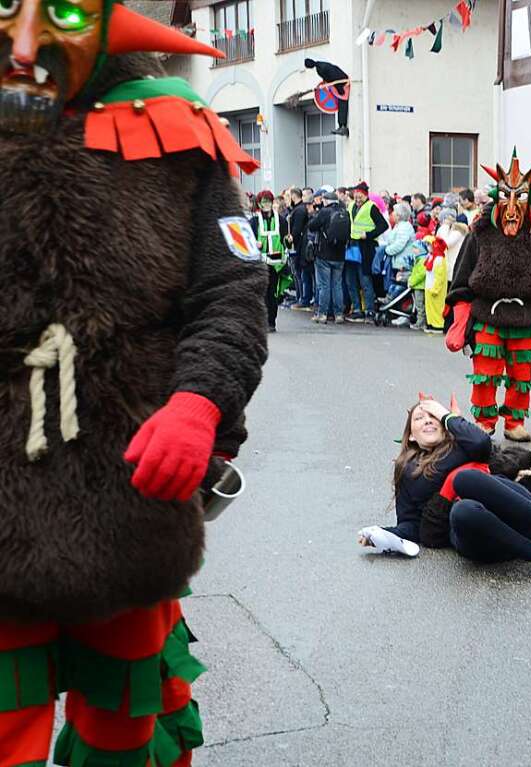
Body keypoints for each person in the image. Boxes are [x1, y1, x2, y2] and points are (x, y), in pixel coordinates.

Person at [0, 3, 269, 763]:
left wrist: (199, 401)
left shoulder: (175, 129)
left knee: (125, 727)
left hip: (130, 500)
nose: (26, 44)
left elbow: (234, 290)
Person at [359, 397, 531, 576]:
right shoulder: (407, 470)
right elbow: (410, 525)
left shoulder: (463, 446)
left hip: (516, 511)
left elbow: (482, 441)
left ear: (444, 426)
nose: (428, 419)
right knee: (463, 511)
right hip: (479, 535)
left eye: (433, 416)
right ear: (410, 436)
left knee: (464, 479)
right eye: (420, 418)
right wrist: (382, 534)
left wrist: (447, 416)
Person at [445, 150, 531, 442]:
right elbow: (461, 277)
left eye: (519, 199)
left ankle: (514, 422)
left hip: (527, 315)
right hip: (488, 313)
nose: (511, 209)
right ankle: (484, 421)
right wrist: (459, 312)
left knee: (521, 375)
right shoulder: (479, 234)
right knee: (486, 371)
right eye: (505, 199)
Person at [347, 181, 389, 322]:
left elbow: (383, 225)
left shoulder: (371, 207)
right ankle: (357, 309)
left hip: (366, 247)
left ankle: (369, 310)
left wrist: (369, 234)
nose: (357, 199)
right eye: (356, 196)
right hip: (352, 246)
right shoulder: (351, 205)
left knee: (365, 279)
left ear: (365, 195)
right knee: (351, 279)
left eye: (360, 196)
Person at [250, 190, 291, 333]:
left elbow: (287, 242)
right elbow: (247, 241)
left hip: (275, 263)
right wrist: (254, 243)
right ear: (260, 204)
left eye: (268, 201)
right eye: (264, 201)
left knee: (272, 293)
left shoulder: (281, 220)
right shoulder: (254, 221)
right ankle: (260, 321)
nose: (266, 204)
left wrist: (289, 241)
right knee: (260, 293)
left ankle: (271, 322)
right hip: (259, 264)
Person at [309, 191, 350, 323]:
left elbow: (312, 226)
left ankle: (322, 314)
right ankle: (338, 314)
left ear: (326, 201)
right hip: (340, 255)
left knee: (324, 285)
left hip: (324, 254)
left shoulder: (324, 212)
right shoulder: (345, 212)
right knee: (337, 285)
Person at [289, 187, 314, 310]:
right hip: (302, 246)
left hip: (300, 247)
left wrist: (291, 240)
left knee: (302, 275)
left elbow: (296, 229)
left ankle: (303, 298)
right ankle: (302, 298)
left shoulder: (299, 210)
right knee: (302, 275)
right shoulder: (300, 210)